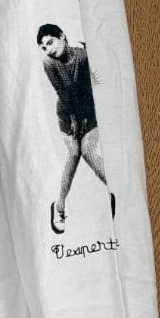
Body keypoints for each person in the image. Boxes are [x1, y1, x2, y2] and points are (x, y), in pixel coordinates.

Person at [37, 23, 115, 234]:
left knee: (88, 151)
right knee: (74, 153)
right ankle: (59, 206)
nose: (48, 49)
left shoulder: (83, 55)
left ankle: (116, 193)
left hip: (89, 113)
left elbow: (93, 86)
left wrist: (85, 117)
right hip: (66, 115)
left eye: (50, 42)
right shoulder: (49, 62)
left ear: (62, 36)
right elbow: (62, 91)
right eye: (44, 47)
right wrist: (73, 118)